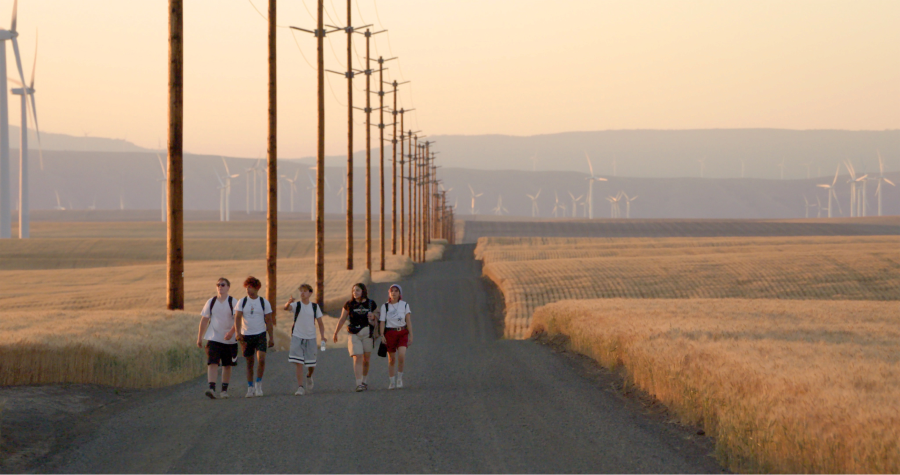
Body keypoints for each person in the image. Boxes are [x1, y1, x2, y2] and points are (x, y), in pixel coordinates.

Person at [196, 277, 238, 399]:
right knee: (212, 362)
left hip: (229, 340)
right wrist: (200, 337)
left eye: (223, 285)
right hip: (214, 338)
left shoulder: (233, 302)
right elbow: (204, 319)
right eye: (218, 285)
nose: (220, 287)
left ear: (228, 287)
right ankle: (212, 388)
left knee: (227, 365)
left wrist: (231, 332)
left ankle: (224, 390)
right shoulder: (211, 302)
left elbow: (238, 320)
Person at [332, 283, 378, 392]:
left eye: (357, 290)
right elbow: (342, 319)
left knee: (366, 359)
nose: (355, 292)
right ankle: (358, 383)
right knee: (357, 356)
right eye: (353, 291)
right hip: (353, 333)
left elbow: (379, 316)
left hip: (367, 333)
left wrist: (374, 316)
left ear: (363, 291)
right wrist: (336, 332)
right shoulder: (349, 304)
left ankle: (364, 380)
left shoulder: (371, 303)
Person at [234, 276, 274, 398]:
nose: (248, 290)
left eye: (250, 287)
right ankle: (250, 387)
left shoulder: (263, 302)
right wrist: (238, 333)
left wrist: (271, 337)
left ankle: (258, 385)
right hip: (246, 335)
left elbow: (269, 320)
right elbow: (237, 317)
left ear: (256, 288)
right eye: (246, 287)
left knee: (261, 359)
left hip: (260, 334)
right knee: (249, 362)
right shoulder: (242, 302)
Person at [283, 284, 325, 396]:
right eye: (301, 291)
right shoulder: (296, 305)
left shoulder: (315, 307)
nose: (302, 293)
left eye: (305, 291)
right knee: (299, 363)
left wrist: (323, 336)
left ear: (310, 293)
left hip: (311, 337)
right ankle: (300, 387)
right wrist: (288, 302)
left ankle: (309, 375)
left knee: (311, 364)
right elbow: (286, 308)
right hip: (297, 336)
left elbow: (320, 323)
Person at [379, 284, 413, 389]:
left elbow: (408, 320)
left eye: (396, 291)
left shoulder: (405, 305)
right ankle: (392, 381)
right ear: (389, 293)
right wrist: (382, 335)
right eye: (392, 291)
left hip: (402, 332)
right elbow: (382, 321)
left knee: (401, 355)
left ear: (399, 293)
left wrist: (411, 334)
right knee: (391, 359)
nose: (394, 293)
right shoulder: (385, 306)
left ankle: (399, 378)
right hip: (390, 333)